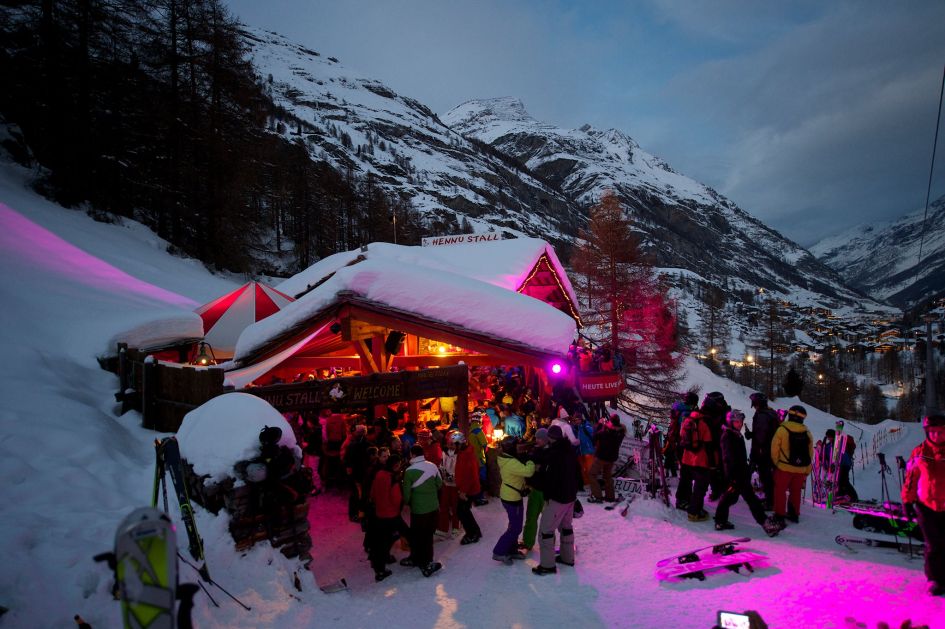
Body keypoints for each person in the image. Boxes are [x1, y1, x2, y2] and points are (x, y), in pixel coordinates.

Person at [715, 410, 781, 537]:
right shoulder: (728, 436)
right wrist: (732, 477)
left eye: (741, 422)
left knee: (729, 498)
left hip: (740, 473)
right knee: (751, 500)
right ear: (731, 422)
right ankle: (766, 524)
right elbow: (728, 459)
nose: (740, 424)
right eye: (737, 422)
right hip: (736, 475)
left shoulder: (735, 434)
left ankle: (720, 521)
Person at [902, 413, 945, 596]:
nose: (936, 436)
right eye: (932, 432)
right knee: (933, 544)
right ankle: (935, 579)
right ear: (927, 432)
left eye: (940, 432)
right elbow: (911, 479)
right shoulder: (919, 452)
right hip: (926, 505)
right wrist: (907, 501)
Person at [533, 424, 579, 575]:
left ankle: (547, 565)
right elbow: (578, 473)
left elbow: (547, 478)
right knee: (566, 527)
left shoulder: (553, 455)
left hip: (558, 498)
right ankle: (567, 557)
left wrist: (533, 479)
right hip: (570, 496)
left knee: (545, 530)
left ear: (549, 438)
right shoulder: (570, 450)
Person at [401, 445, 443, 577]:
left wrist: (408, 502)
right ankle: (426, 560)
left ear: (412, 455)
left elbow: (406, 494)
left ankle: (420, 561)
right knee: (428, 536)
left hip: (419, 509)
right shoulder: (432, 466)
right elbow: (439, 484)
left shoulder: (409, 471)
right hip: (433, 507)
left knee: (418, 535)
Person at [770, 405, 814, 529]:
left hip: (784, 467)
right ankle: (794, 514)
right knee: (795, 492)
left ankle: (779, 515)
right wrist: (807, 470)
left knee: (780, 491)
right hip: (800, 469)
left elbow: (774, 449)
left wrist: (776, 463)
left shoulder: (782, 430)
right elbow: (810, 453)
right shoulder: (807, 432)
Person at [492, 437, 535, 565]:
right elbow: (528, 471)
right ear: (511, 448)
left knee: (513, 524)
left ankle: (512, 549)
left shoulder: (506, 458)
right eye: (517, 446)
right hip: (512, 498)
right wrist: (530, 460)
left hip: (510, 494)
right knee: (515, 528)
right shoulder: (511, 462)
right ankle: (499, 551)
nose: (519, 448)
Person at [368, 453, 403, 582]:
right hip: (390, 514)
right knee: (387, 540)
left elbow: (373, 492)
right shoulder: (392, 478)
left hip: (379, 513)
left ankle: (378, 564)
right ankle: (380, 569)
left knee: (380, 540)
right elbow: (396, 499)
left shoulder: (379, 474)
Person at [680, 407, 714, 522]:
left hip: (687, 459)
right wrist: (712, 463)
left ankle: (685, 503)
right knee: (700, 488)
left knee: (688, 483)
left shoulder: (686, 421)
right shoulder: (703, 424)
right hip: (700, 460)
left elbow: (682, 437)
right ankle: (694, 513)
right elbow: (709, 445)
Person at [746, 392, 779, 509]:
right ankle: (769, 498)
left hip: (763, 451)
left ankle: (770, 502)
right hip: (771, 449)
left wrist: (756, 451)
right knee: (767, 476)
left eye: (754, 403)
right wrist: (751, 434)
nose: (753, 406)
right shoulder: (771, 412)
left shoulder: (762, 415)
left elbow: (762, 435)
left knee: (765, 476)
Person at [521, 428, 551, 552]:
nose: (537, 440)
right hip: (534, 489)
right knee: (531, 517)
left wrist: (540, 468)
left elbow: (548, 469)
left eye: (540, 438)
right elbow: (529, 465)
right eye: (537, 438)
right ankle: (528, 542)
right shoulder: (534, 450)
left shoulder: (551, 452)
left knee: (547, 521)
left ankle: (548, 543)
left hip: (546, 492)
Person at [587, 414, 626, 503]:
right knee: (607, 476)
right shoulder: (621, 432)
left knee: (592, 474)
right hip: (612, 458)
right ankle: (610, 496)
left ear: (611, 422)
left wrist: (600, 425)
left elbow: (595, 437)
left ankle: (597, 496)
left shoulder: (606, 431)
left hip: (602, 457)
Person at [452, 431, 483, 545]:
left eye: (454, 444)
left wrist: (463, 491)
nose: (453, 446)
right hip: (466, 488)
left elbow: (470, 475)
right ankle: (475, 531)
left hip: (468, 489)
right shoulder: (464, 452)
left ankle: (472, 534)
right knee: (464, 511)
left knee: (462, 511)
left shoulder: (467, 454)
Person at [671, 392, 699, 505]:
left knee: (685, 472)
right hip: (685, 445)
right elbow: (686, 432)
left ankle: (685, 496)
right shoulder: (687, 413)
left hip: (678, 443)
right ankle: (683, 498)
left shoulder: (678, 409)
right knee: (687, 473)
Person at [436, 434, 460, 538]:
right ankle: (443, 528)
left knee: (455, 506)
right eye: (449, 444)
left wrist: (454, 476)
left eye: (453, 444)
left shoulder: (460, 455)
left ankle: (456, 527)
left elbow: (461, 468)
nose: (451, 446)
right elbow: (441, 465)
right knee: (444, 506)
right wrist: (443, 472)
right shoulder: (444, 453)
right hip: (446, 484)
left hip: (456, 485)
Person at [467, 413, 489, 506]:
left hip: (470, 458)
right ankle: (479, 498)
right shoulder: (478, 431)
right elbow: (484, 444)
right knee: (481, 479)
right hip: (479, 459)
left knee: (473, 478)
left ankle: (473, 496)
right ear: (479, 420)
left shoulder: (468, 429)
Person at [576, 416, 596, 489]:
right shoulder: (578, 427)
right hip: (581, 451)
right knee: (584, 468)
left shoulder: (586, 426)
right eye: (575, 420)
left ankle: (592, 483)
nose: (576, 421)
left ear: (580, 419)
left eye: (577, 419)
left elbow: (593, 435)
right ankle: (586, 482)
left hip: (588, 450)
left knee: (589, 467)